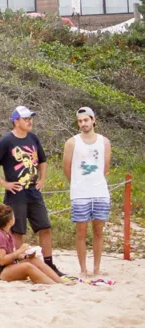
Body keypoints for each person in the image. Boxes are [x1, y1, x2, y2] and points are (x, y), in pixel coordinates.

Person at [0, 105, 63, 276]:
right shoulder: (7, 141)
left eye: (30, 118)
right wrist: (4, 183)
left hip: (34, 192)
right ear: (16, 121)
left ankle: (49, 264)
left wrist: (42, 179)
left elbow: (42, 160)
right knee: (18, 230)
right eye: (26, 119)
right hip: (16, 194)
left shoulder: (33, 138)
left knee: (45, 227)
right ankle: (21, 262)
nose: (29, 121)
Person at [62, 107, 111, 277]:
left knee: (98, 231)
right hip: (80, 193)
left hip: (100, 191)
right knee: (81, 231)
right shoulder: (71, 142)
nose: (83, 123)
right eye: (80, 121)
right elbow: (66, 167)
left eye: (86, 120)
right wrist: (77, 183)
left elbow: (105, 167)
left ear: (93, 120)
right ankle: (83, 268)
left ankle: (97, 268)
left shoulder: (104, 142)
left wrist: (94, 181)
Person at [0, 204, 62, 285]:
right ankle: (52, 284)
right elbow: (2, 261)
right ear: (10, 221)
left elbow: (11, 256)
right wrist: (20, 250)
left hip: (6, 266)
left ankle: (60, 282)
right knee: (27, 266)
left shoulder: (7, 232)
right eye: (13, 216)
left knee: (34, 260)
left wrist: (25, 256)